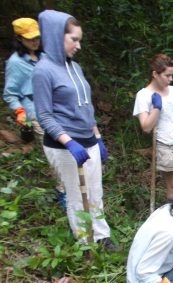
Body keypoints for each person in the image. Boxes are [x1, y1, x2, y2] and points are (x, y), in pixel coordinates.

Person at [32, 10, 116, 250]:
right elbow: (44, 114)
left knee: (95, 191)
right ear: (56, 37)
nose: (78, 45)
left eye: (80, 40)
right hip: (63, 145)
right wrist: (68, 141)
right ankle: (85, 241)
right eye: (74, 39)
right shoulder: (43, 70)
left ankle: (102, 235)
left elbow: (86, 107)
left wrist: (97, 138)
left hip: (88, 139)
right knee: (77, 195)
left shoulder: (75, 67)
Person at [3, 17, 67, 208]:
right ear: (19, 38)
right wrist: (20, 111)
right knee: (55, 153)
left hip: (57, 108)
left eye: (37, 37)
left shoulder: (45, 56)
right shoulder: (15, 63)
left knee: (67, 149)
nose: (34, 41)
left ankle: (71, 187)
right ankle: (63, 192)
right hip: (36, 112)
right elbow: (10, 94)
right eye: (29, 38)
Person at [133, 53, 173, 200]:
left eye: (172, 75)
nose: (171, 79)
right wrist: (157, 107)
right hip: (166, 145)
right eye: (167, 75)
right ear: (155, 74)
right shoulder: (143, 95)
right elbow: (146, 127)